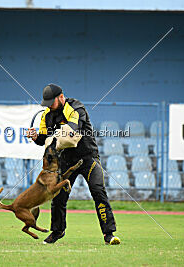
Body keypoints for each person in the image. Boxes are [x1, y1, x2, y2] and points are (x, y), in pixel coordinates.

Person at [26, 83, 120, 245]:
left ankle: (109, 234)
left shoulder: (76, 107)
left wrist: (52, 136)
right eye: (46, 103)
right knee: (58, 197)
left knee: (98, 192)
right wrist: (35, 137)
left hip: (88, 158)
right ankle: (57, 231)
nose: (48, 106)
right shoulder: (46, 115)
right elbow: (42, 140)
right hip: (65, 161)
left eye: (51, 102)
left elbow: (73, 129)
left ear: (61, 97)